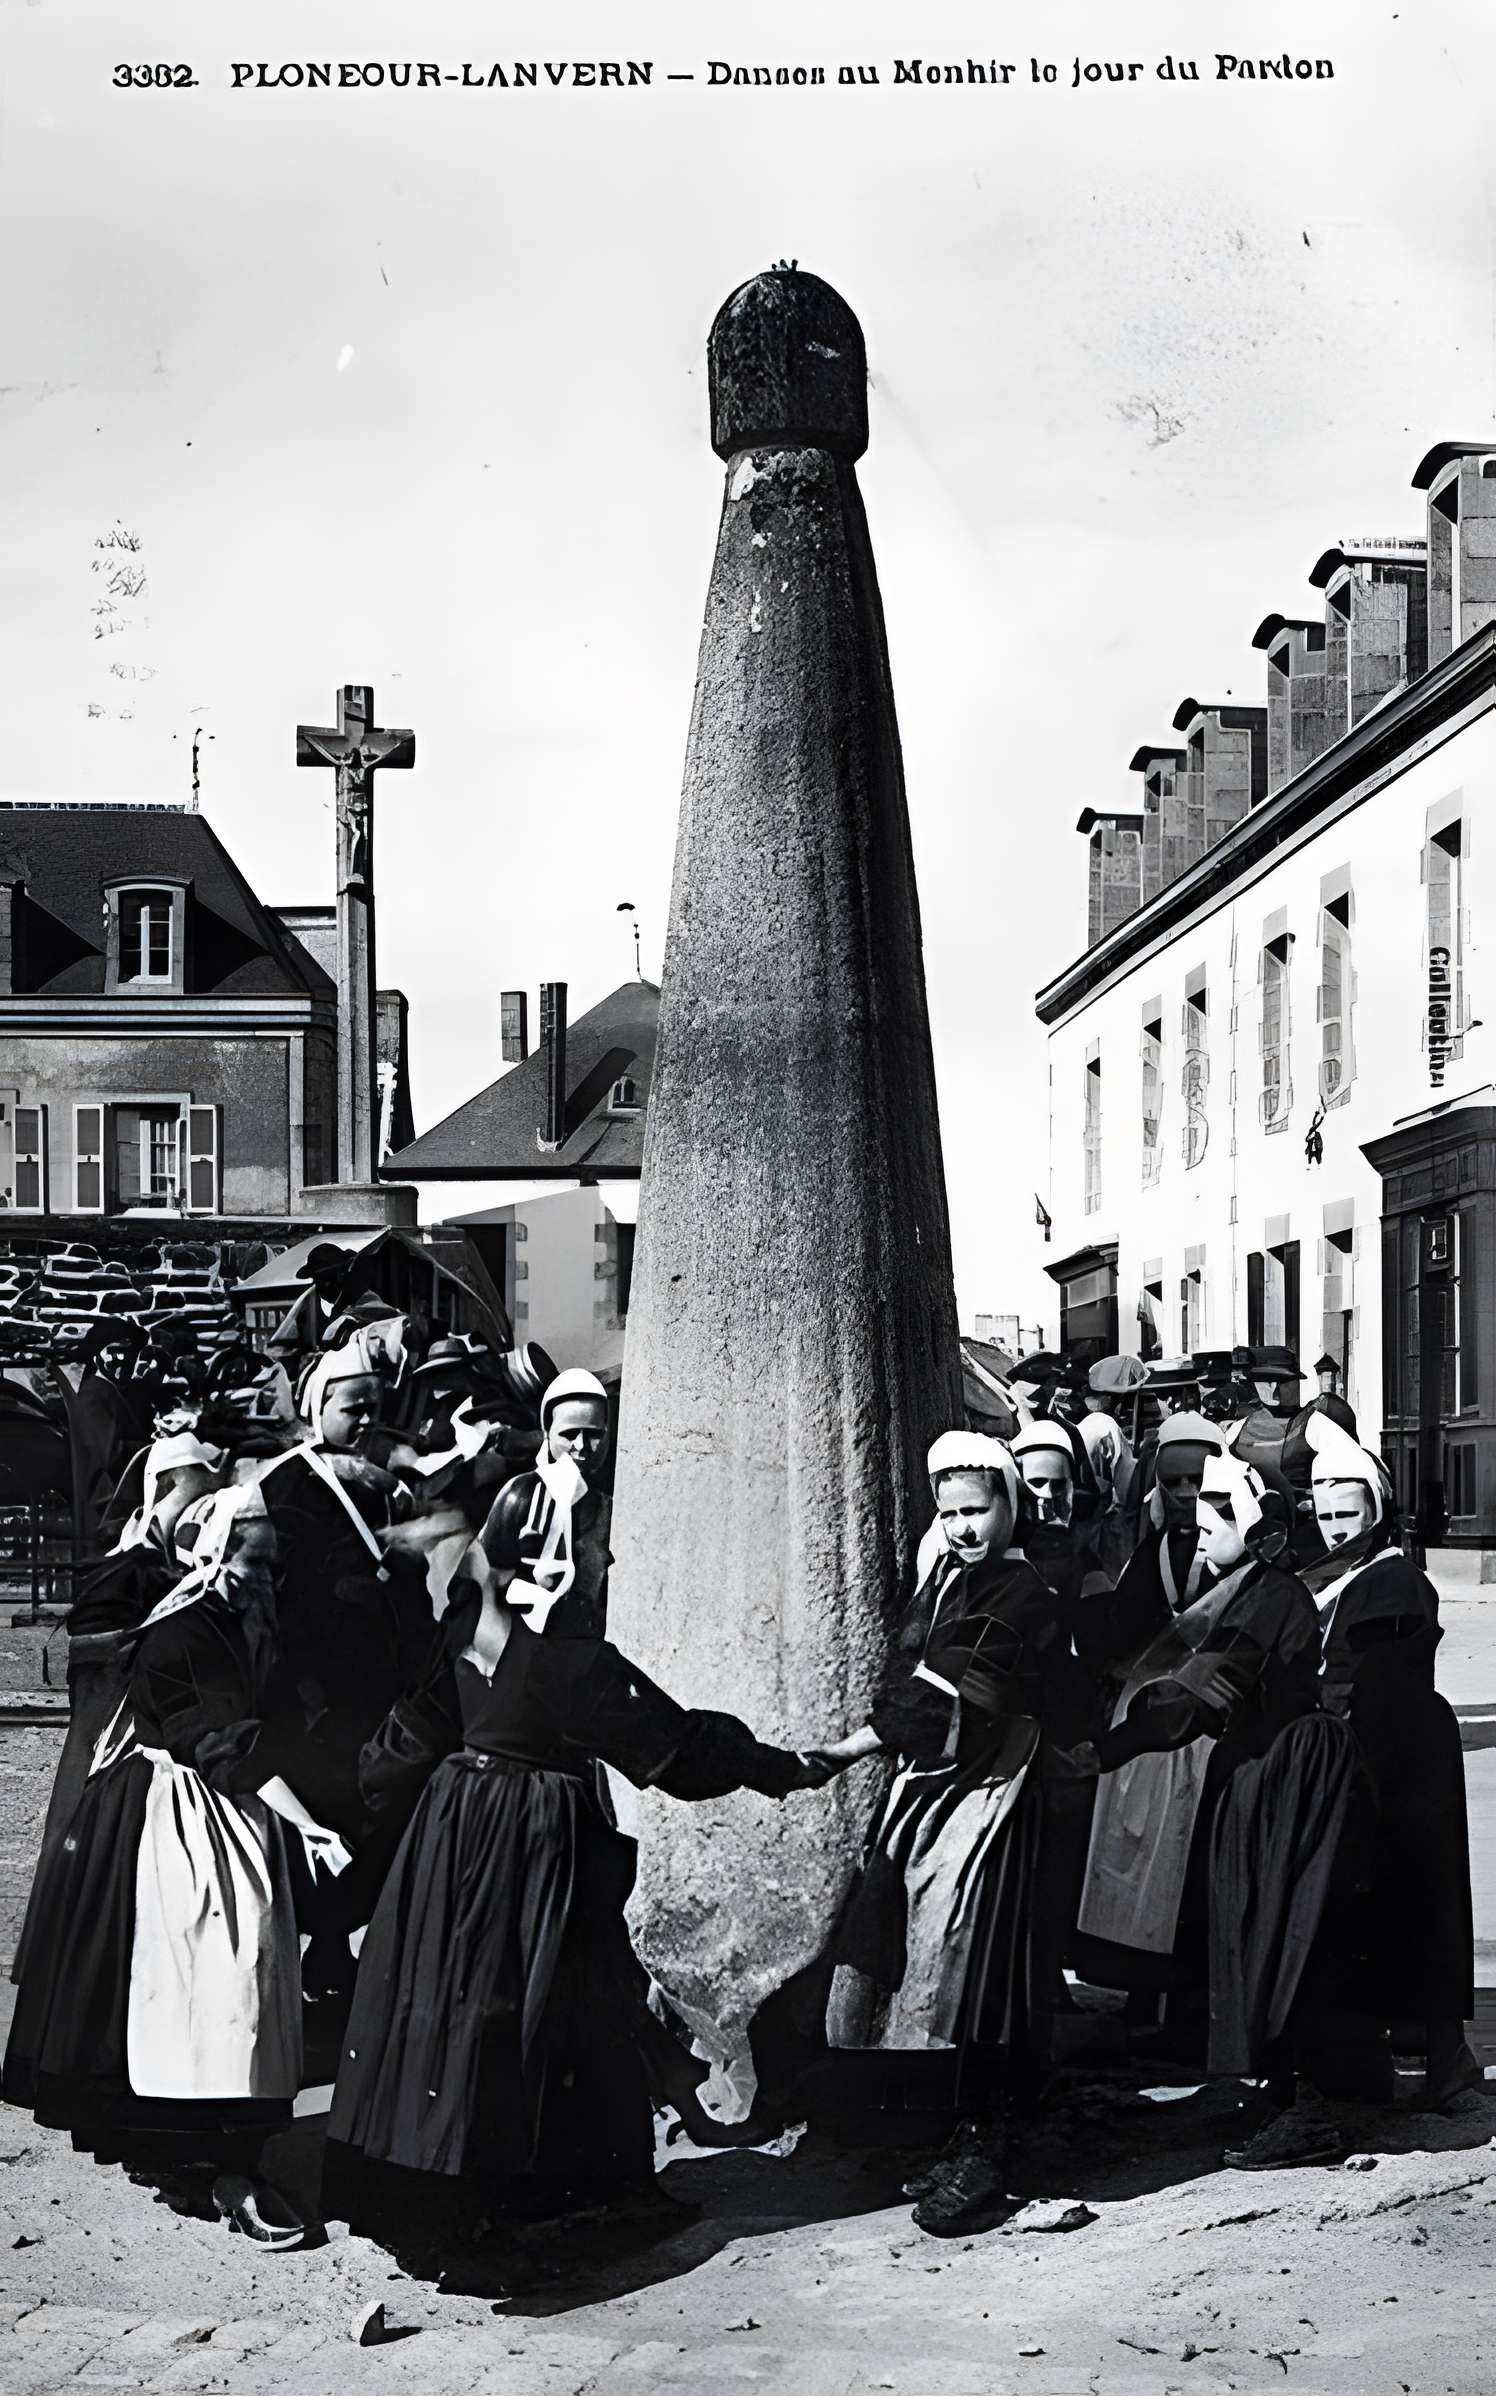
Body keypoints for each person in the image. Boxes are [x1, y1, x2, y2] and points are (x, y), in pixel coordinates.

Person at [323, 1476, 830, 2244]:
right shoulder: (573, 1656)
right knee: (561, 2006)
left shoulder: (471, 1621)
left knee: (458, 2008)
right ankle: (561, 2195)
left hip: (455, 1830)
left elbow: (412, 1732)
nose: (610, 1554)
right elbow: (676, 1752)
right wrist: (777, 1767)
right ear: (567, 1547)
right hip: (535, 1844)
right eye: (598, 1539)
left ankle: (433, 2188)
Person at [4, 1486, 348, 2248]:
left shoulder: (248, 1622)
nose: (264, 1579)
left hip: (234, 1810)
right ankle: (202, 2162)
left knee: (241, 1984)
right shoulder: (181, 1637)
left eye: (270, 1566)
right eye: (252, 1564)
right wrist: (309, 1825)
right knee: (203, 1982)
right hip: (177, 1819)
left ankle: (231, 2150)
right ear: (215, 1557)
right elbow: (223, 1746)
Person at [814, 1431, 1092, 2237]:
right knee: (954, 1976)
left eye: (980, 1509)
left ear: (1010, 1505)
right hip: (948, 1794)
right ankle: (971, 2135)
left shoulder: (1019, 1591)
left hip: (1002, 1799)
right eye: (952, 1513)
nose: (967, 1527)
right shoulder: (947, 1580)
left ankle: (994, 2153)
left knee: (991, 1978)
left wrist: (842, 1751)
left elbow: (949, 1695)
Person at [1213, 1414, 1477, 2165]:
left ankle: (1439, 2066)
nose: (1333, 1529)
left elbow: (1378, 1687)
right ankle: (1372, 2074)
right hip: (1360, 1760)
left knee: (1413, 1915)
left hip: (1397, 1763)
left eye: (1347, 1513)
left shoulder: (1392, 1578)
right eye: (1323, 1515)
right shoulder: (1331, 1576)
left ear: (1376, 1508)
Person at [1072, 1452, 1322, 2056]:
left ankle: (1225, 2048)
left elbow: (1206, 1696)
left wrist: (1109, 1749)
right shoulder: (1253, 1586)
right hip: (1239, 1763)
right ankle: (1196, 2034)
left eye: (1216, 1522)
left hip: (1266, 1770)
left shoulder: (1271, 1598)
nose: (1202, 1531)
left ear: (1254, 1529)